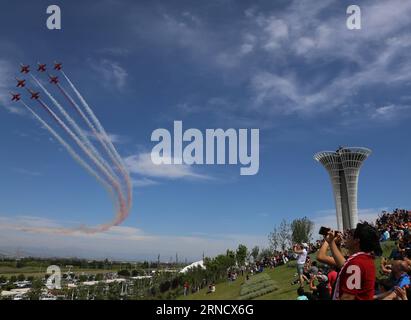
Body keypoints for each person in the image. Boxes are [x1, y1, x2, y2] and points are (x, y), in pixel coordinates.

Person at [324, 222, 382, 300]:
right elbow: (343, 265)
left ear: (356, 241)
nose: (346, 237)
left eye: (350, 235)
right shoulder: (364, 259)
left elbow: (348, 297)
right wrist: (331, 242)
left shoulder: (356, 264)